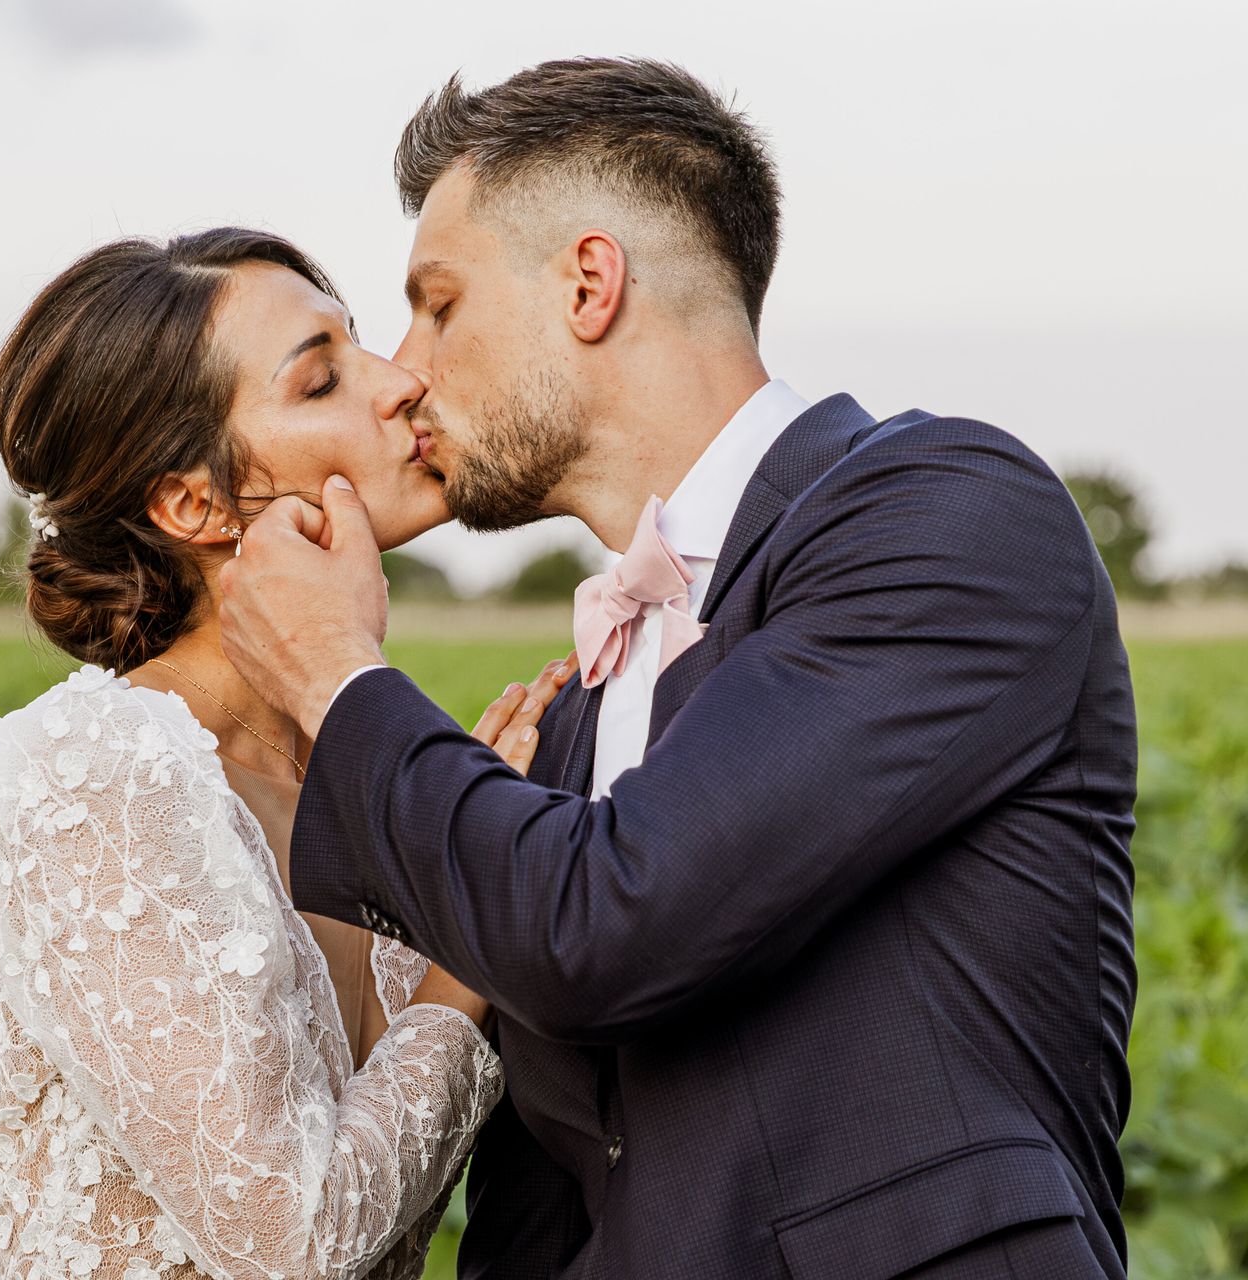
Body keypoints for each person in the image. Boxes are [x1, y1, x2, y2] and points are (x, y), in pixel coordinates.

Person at [218, 59, 1139, 1278]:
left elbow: (611, 922)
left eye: (437, 304)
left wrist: (334, 671)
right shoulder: (571, 707)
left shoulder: (945, 513)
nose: (407, 369)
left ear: (591, 283)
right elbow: (549, 1188)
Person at [0, 228, 561, 1280]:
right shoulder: (94, 767)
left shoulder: (370, 772)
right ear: (191, 501)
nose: (400, 384)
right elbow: (295, 1241)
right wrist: (473, 931)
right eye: (323, 377)